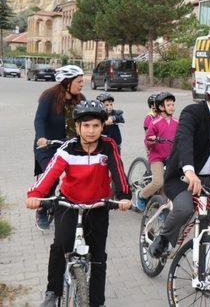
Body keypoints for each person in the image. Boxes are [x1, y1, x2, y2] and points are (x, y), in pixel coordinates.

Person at [26, 100, 131, 307]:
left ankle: (97, 302)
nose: (91, 131)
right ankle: (52, 292)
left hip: (99, 205)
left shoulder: (108, 145)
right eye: (86, 126)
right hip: (69, 204)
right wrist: (35, 194)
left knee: (98, 256)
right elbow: (51, 173)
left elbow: (118, 171)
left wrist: (124, 196)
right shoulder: (68, 148)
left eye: (96, 126)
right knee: (60, 245)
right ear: (77, 127)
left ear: (102, 126)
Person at [148, 75, 210, 258]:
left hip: (209, 182)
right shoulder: (192, 112)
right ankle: (163, 239)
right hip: (182, 178)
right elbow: (184, 141)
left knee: (209, 228)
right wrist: (189, 170)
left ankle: (207, 278)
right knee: (185, 209)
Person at [33, 64, 85, 230]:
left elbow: (87, 119)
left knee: (83, 173)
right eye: (79, 81)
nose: (82, 84)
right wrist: (41, 137)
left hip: (69, 145)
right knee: (51, 178)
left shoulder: (80, 99)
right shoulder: (49, 96)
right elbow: (39, 119)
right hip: (47, 146)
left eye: (82, 81)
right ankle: (42, 208)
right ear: (67, 82)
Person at [133, 92, 178, 211]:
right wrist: (152, 140)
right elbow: (147, 141)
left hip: (171, 157)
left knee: (167, 185)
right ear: (161, 107)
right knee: (158, 182)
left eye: (173, 104)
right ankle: (141, 196)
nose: (172, 107)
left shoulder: (177, 123)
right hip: (157, 157)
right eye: (169, 105)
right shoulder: (154, 123)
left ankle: (162, 209)